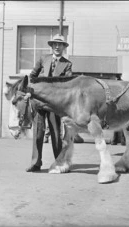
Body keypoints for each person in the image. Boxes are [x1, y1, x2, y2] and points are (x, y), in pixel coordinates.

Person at [26, 34, 73, 172]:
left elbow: (68, 84)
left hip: (54, 104)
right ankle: (36, 163)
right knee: (38, 133)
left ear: (64, 47)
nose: (57, 47)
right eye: (55, 44)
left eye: (60, 44)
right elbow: (32, 76)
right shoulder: (43, 59)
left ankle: (59, 162)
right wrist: (30, 91)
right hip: (39, 102)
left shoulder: (67, 64)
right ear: (51, 46)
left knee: (56, 133)